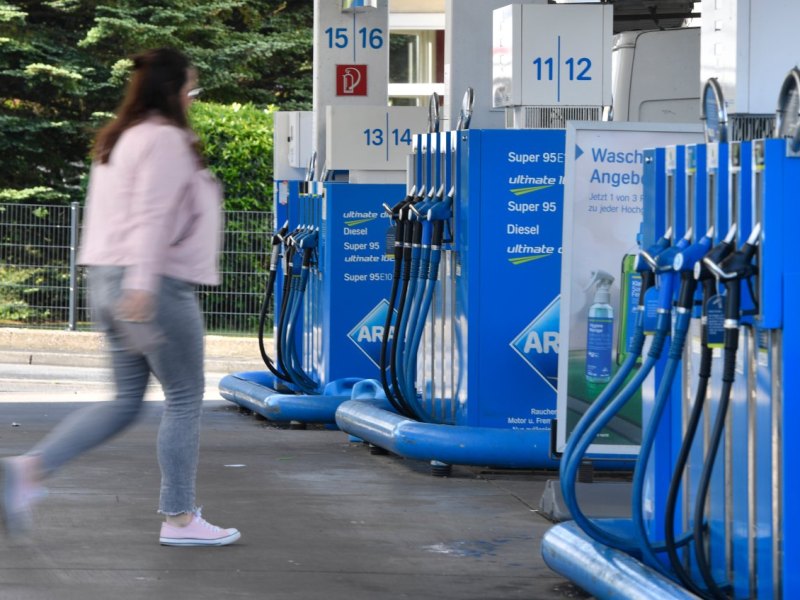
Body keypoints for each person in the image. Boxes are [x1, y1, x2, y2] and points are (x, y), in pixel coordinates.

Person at [0, 48, 240, 547]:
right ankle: (180, 518)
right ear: (172, 91)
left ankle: (26, 471)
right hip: (152, 285)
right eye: (191, 89)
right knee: (185, 396)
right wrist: (142, 287)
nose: (193, 99)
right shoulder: (165, 140)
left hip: (107, 280)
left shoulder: (118, 138)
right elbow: (152, 217)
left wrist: (124, 286)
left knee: (126, 401)